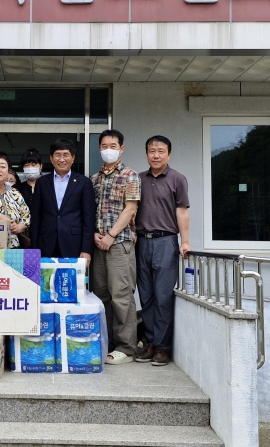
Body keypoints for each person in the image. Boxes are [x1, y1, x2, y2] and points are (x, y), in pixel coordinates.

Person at [134, 136, 191, 367]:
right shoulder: (138, 179)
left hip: (166, 242)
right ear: (146, 153)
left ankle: (162, 348)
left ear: (169, 154)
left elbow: (182, 212)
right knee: (146, 296)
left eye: (160, 151)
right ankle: (150, 343)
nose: (156, 155)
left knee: (163, 296)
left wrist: (185, 241)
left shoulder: (177, 179)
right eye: (151, 151)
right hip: (141, 242)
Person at [91, 129, 141, 365]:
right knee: (101, 295)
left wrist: (111, 235)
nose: (108, 150)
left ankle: (126, 347)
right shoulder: (94, 179)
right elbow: (90, 211)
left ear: (121, 149)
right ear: (99, 148)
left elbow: (130, 209)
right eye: (104, 146)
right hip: (98, 244)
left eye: (113, 146)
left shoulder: (130, 176)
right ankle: (108, 343)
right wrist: (95, 234)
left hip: (120, 244)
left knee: (121, 295)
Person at [31, 139, 95, 262]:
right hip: (46, 243)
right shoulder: (42, 182)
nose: (61, 159)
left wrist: (86, 250)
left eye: (66, 155)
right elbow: (36, 218)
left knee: (72, 276)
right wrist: (34, 250)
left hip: (74, 244)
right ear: (51, 158)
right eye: (57, 155)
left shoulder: (84, 182)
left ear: (73, 158)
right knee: (46, 275)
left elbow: (89, 219)